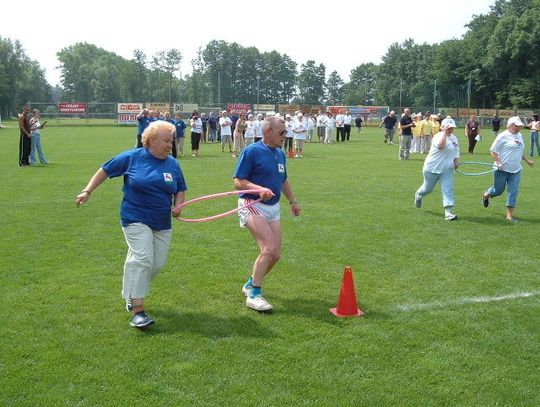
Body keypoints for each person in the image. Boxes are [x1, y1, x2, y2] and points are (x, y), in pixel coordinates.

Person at [75, 121, 187, 328]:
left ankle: (131, 292)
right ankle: (138, 311)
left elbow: (180, 188)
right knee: (142, 258)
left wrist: (178, 205)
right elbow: (105, 170)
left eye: (171, 141)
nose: (170, 145)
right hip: (135, 217)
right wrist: (87, 191)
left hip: (162, 221)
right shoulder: (132, 157)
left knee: (156, 264)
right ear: (151, 140)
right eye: (166, 141)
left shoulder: (173, 163)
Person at [233, 115, 301, 311]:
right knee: (268, 248)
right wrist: (258, 188)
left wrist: (293, 201)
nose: (284, 135)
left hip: (273, 208)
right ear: (267, 132)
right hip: (252, 203)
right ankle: (254, 294)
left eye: (285, 132)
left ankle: (250, 283)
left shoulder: (279, 153)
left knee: (276, 254)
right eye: (281, 132)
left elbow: (283, 180)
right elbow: (238, 182)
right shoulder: (252, 151)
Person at [482, 116, 533, 222]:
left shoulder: (520, 135)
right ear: (510, 125)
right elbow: (493, 150)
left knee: (513, 191)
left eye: (520, 126)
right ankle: (487, 194)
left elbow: (519, 151)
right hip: (502, 169)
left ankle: (509, 216)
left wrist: (527, 161)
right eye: (517, 126)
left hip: (516, 169)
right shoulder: (503, 136)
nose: (519, 128)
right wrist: (499, 162)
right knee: (498, 191)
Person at [414, 117, 460, 221]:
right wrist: (444, 133)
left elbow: (456, 151)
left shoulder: (454, 138)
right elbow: (440, 146)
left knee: (448, 189)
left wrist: (456, 161)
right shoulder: (437, 137)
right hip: (432, 168)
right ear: (443, 128)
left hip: (447, 169)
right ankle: (419, 194)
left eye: (452, 128)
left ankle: (448, 213)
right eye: (449, 128)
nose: (451, 130)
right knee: (427, 189)